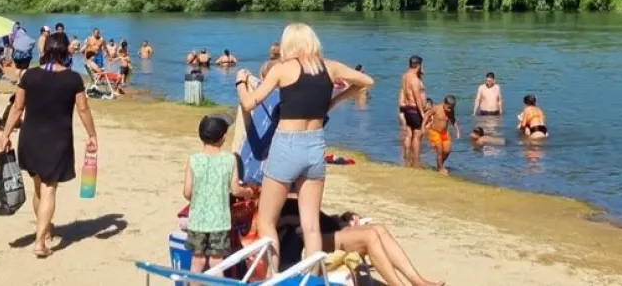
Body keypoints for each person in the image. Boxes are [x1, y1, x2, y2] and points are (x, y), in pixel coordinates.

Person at [235, 22, 373, 272]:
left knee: (267, 221)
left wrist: (240, 83)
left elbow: (249, 104)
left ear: (290, 44)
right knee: (311, 227)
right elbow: (366, 81)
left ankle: (273, 276)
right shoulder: (330, 67)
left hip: (287, 145)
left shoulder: (283, 69)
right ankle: (314, 280)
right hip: (315, 145)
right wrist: (336, 100)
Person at [0, 31, 98, 258]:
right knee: (49, 188)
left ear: (44, 51)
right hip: (57, 139)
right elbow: (83, 109)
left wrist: (5, 134)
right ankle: (39, 241)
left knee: (39, 187)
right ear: (65, 52)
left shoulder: (29, 76)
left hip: (30, 138)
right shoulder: (74, 79)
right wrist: (92, 135)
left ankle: (44, 231)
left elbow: (17, 108)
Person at [278, 198, 445, 286]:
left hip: (320, 230)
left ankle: (416, 281)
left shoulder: (291, 191)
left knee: (378, 229)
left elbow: (316, 217)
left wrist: (344, 219)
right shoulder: (276, 201)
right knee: (370, 236)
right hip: (303, 241)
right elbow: (297, 223)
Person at [183, 115, 254, 272]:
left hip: (197, 220)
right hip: (220, 221)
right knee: (216, 263)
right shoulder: (230, 160)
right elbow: (235, 190)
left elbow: (187, 192)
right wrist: (247, 192)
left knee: (198, 261)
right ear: (222, 138)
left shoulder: (193, 160)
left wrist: (198, 198)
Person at [398, 55, 427, 168]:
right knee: (417, 135)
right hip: (415, 109)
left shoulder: (405, 76)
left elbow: (406, 92)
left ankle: (406, 157)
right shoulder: (414, 79)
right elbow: (417, 97)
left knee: (409, 134)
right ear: (418, 65)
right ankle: (415, 161)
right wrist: (422, 113)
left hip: (407, 109)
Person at [424, 95, 460, 174]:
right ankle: (440, 169)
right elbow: (427, 115)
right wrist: (422, 126)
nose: (450, 110)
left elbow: (453, 120)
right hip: (434, 132)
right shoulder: (436, 108)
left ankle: (440, 164)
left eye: (452, 108)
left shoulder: (451, 111)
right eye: (448, 107)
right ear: (444, 103)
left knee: (447, 150)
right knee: (439, 150)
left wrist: (457, 131)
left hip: (444, 133)